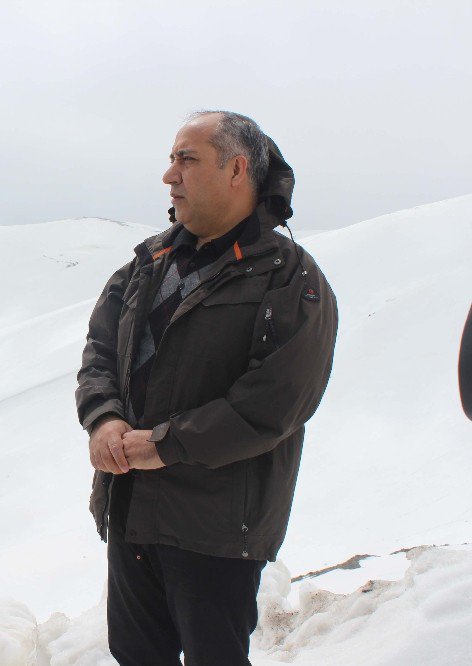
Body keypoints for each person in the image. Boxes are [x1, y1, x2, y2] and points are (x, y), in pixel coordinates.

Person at [76, 111, 338, 666]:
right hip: (132, 510)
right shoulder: (148, 262)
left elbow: (275, 404)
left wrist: (164, 445)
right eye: (172, 159)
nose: (169, 176)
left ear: (237, 169)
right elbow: (100, 348)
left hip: (216, 527)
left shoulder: (289, 278)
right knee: (135, 653)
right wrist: (103, 417)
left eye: (186, 160)